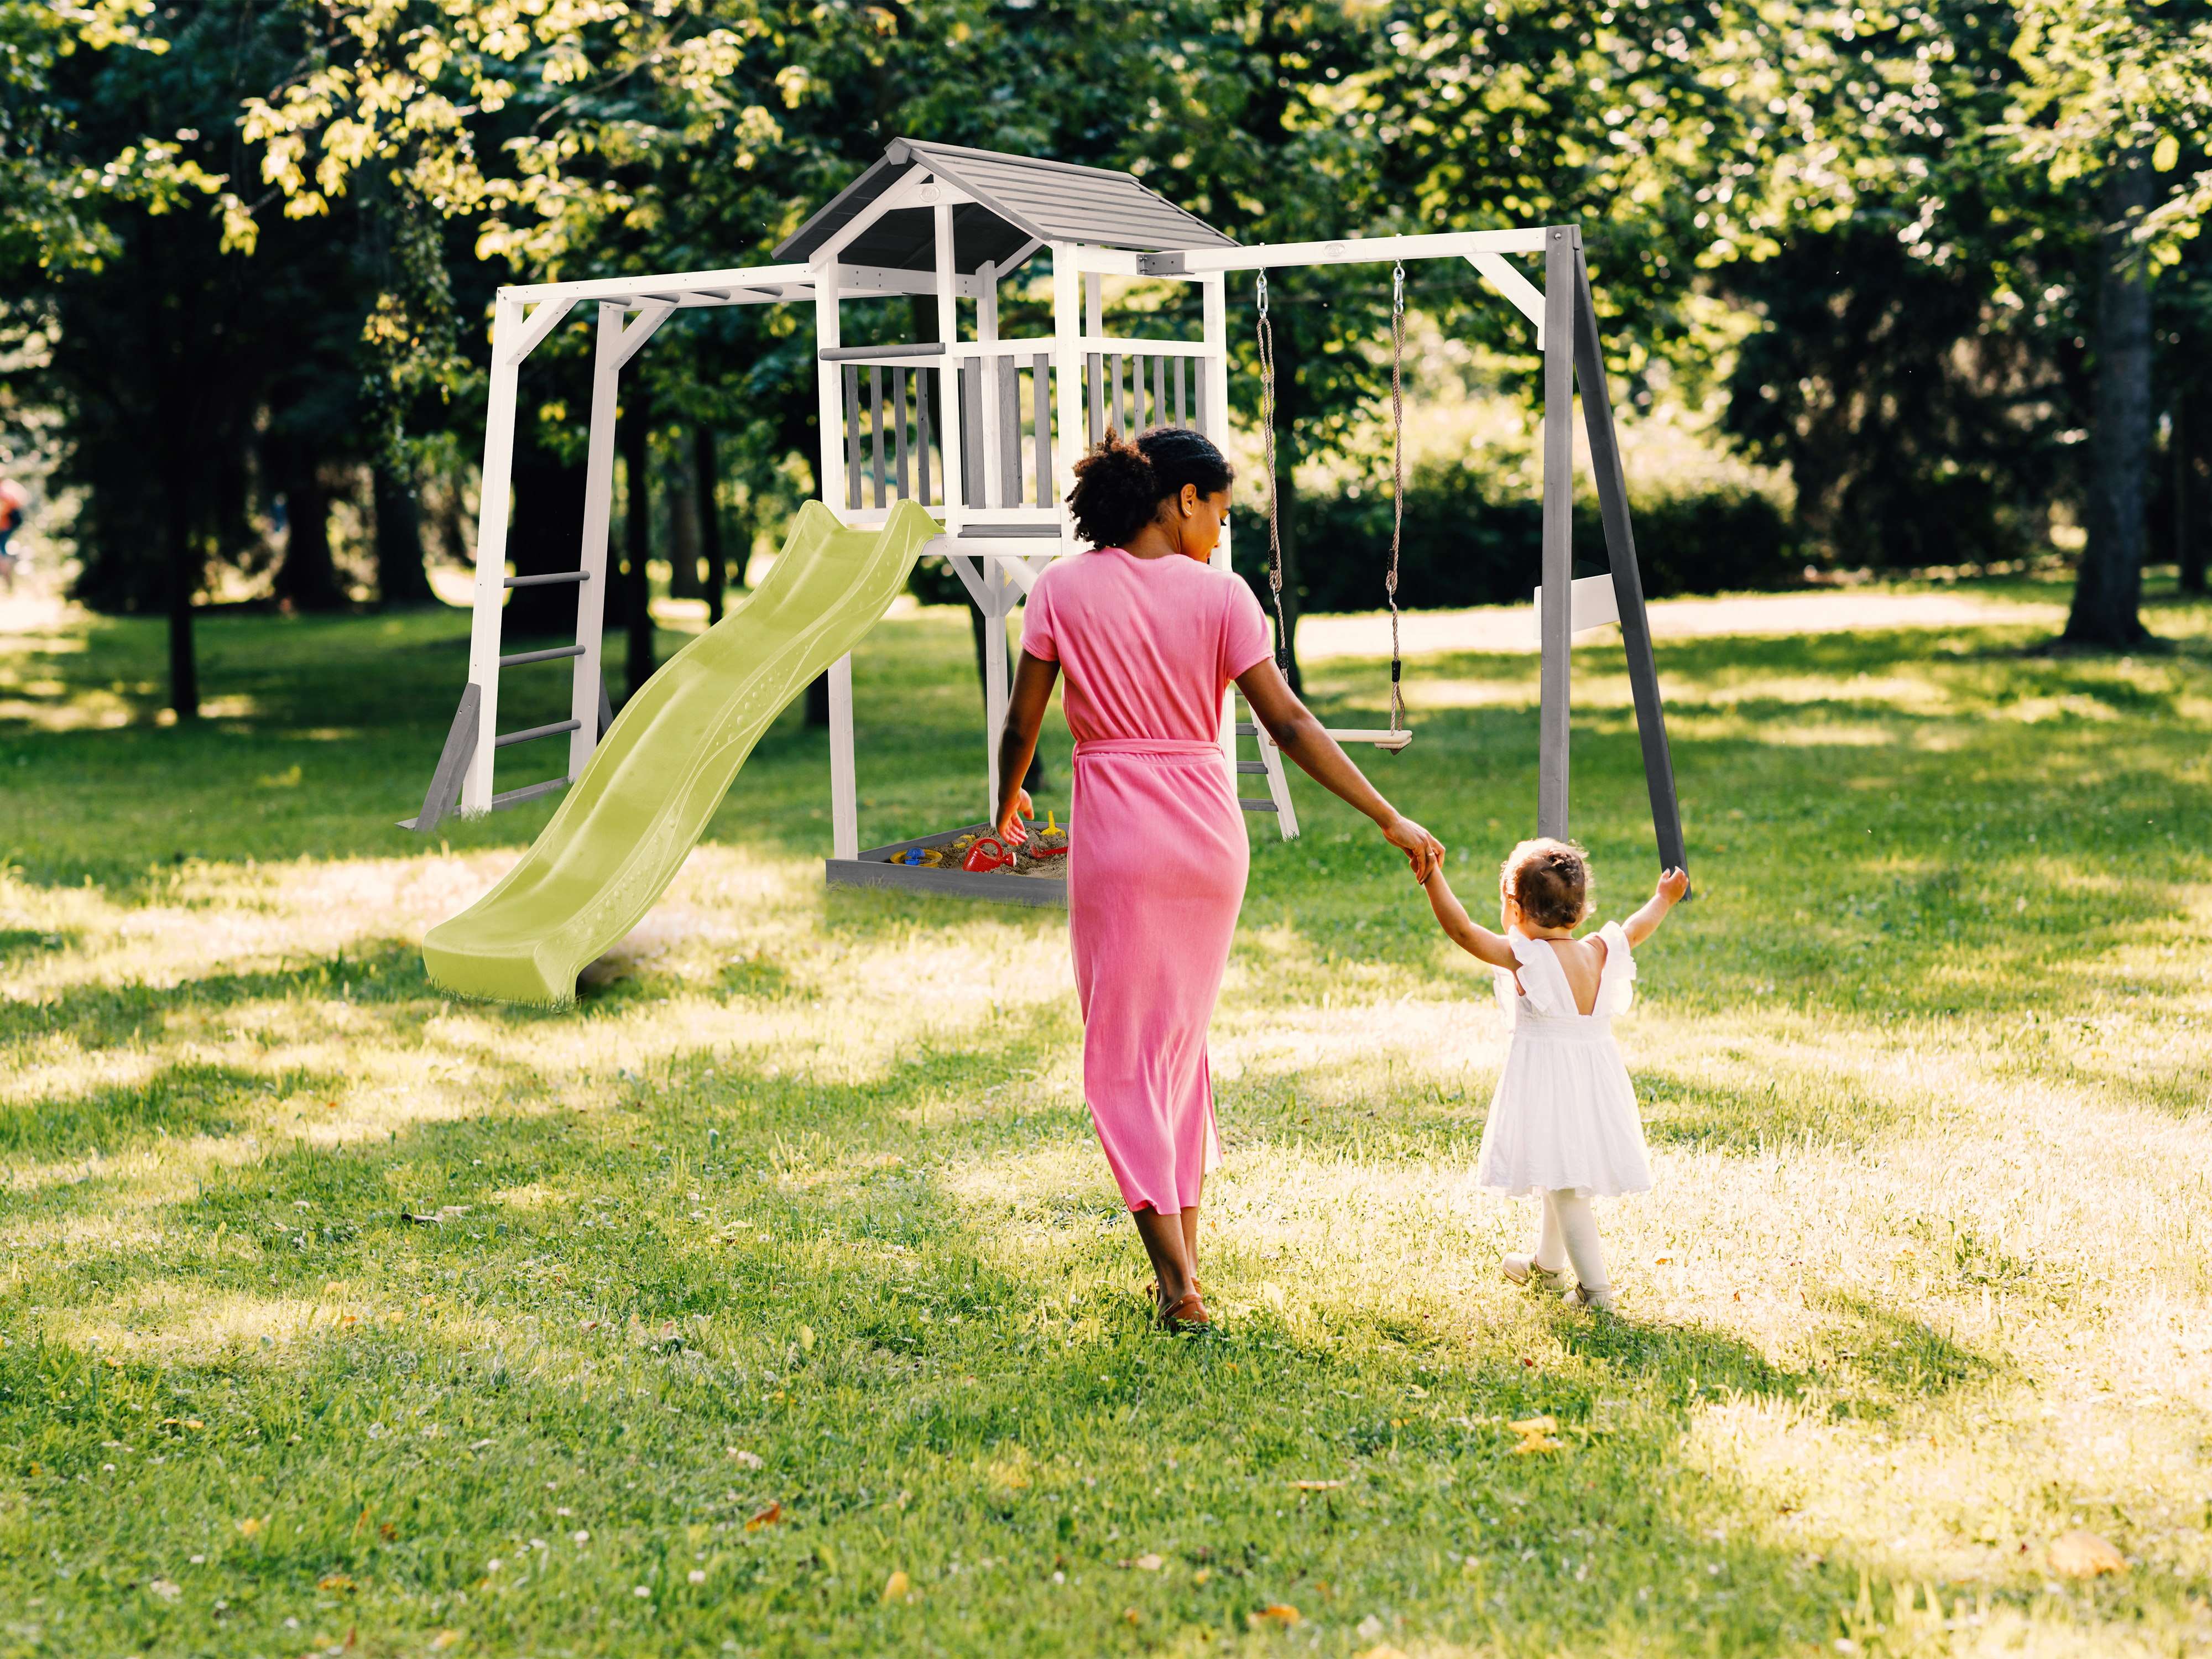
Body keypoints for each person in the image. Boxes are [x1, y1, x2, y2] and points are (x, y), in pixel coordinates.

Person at [994, 427, 1444, 1332]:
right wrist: (1385, 813)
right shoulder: (1224, 598)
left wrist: (1003, 807)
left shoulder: (1060, 589)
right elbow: (1290, 724)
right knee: (1175, 1052)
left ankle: (1176, 1286)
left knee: (1124, 1060)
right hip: (1207, 839)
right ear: (1183, 499)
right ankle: (1185, 1268)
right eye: (1222, 514)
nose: (1221, 534)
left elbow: (1022, 724)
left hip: (1120, 838)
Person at [1418, 838, 1689, 1311]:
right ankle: (1547, 1267)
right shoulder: (1598, 951)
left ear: (1515, 908)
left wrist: (1431, 875)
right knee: (1555, 1168)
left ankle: (1596, 1292)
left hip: (1550, 1083)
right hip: (1594, 1080)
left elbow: (1462, 931)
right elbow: (1635, 927)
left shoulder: (1527, 958)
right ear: (1580, 912)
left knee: (1565, 1187)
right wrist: (1663, 899)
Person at [0, 478, 27, 594]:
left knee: (2, 549)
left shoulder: (4, 491)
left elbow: (5, 509)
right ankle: (7, 574)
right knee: (3, 548)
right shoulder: (8, 486)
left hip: (8, 522)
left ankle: (6, 572)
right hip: (11, 521)